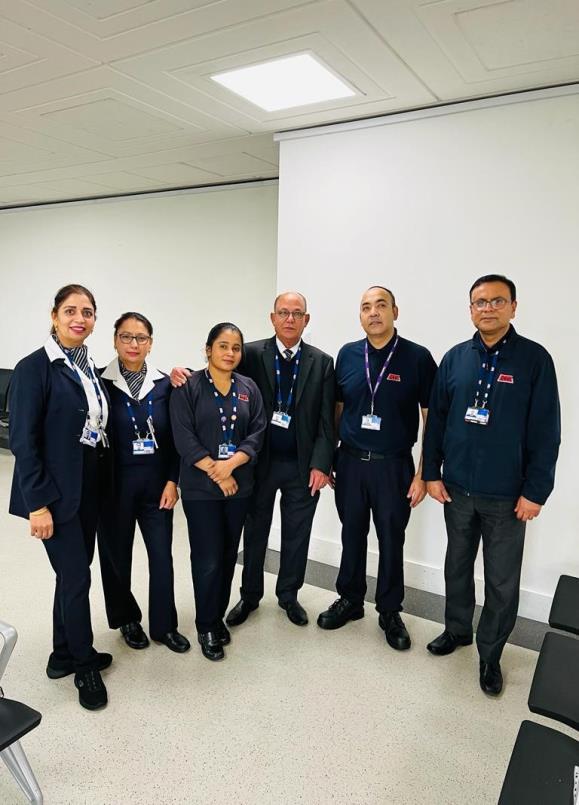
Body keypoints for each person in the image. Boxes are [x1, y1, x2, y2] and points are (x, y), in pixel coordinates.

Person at [422, 274, 560, 695]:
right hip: (457, 489)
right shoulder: (454, 358)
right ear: (470, 310)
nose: (488, 308)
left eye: (497, 301)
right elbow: (437, 421)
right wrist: (431, 473)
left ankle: (490, 654)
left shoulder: (534, 360)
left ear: (513, 307)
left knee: (501, 580)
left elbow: (546, 430)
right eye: (480, 302)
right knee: (457, 566)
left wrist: (535, 491)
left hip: (507, 495)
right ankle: (457, 629)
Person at [172, 292, 335, 628]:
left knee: (297, 533)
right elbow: (217, 372)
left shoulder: (322, 362)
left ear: (306, 320)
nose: (289, 319)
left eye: (297, 313)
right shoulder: (251, 353)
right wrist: (180, 372)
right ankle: (249, 595)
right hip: (258, 463)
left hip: (302, 466)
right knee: (255, 531)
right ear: (272, 318)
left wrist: (322, 463)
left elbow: (326, 419)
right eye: (283, 312)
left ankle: (288, 595)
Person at [9, 284, 112, 711]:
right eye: (70, 310)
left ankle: (61, 653)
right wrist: (37, 505)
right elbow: (23, 442)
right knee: (77, 577)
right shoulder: (34, 368)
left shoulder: (88, 367)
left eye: (87, 312)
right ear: (54, 316)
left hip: (86, 486)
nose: (79, 319)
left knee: (71, 575)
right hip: (53, 493)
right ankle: (84, 665)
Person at [317, 286, 437, 651]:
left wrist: (424, 473)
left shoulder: (417, 358)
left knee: (391, 539)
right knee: (351, 534)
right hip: (351, 463)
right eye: (366, 307)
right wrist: (329, 458)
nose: (373, 313)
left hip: (393, 467)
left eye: (381, 305)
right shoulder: (348, 355)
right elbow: (337, 409)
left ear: (395, 312)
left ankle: (389, 610)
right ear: (360, 316)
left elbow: (431, 418)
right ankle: (350, 599)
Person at [170, 323, 266, 661]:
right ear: (208, 349)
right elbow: (184, 437)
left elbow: (257, 432)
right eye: (223, 346)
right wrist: (218, 472)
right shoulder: (188, 386)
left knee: (227, 555)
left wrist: (232, 465)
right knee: (207, 558)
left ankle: (216, 614)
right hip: (201, 490)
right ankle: (206, 624)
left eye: (236, 348)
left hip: (239, 487)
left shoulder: (248, 387)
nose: (230, 353)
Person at [98, 312, 190, 654]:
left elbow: (177, 439)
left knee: (162, 557)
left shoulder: (166, 385)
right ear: (115, 341)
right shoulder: (99, 383)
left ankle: (165, 626)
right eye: (126, 336)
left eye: (141, 338)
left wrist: (172, 481)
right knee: (116, 558)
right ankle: (126, 619)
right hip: (114, 489)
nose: (133, 344)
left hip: (157, 489)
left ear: (150, 344)